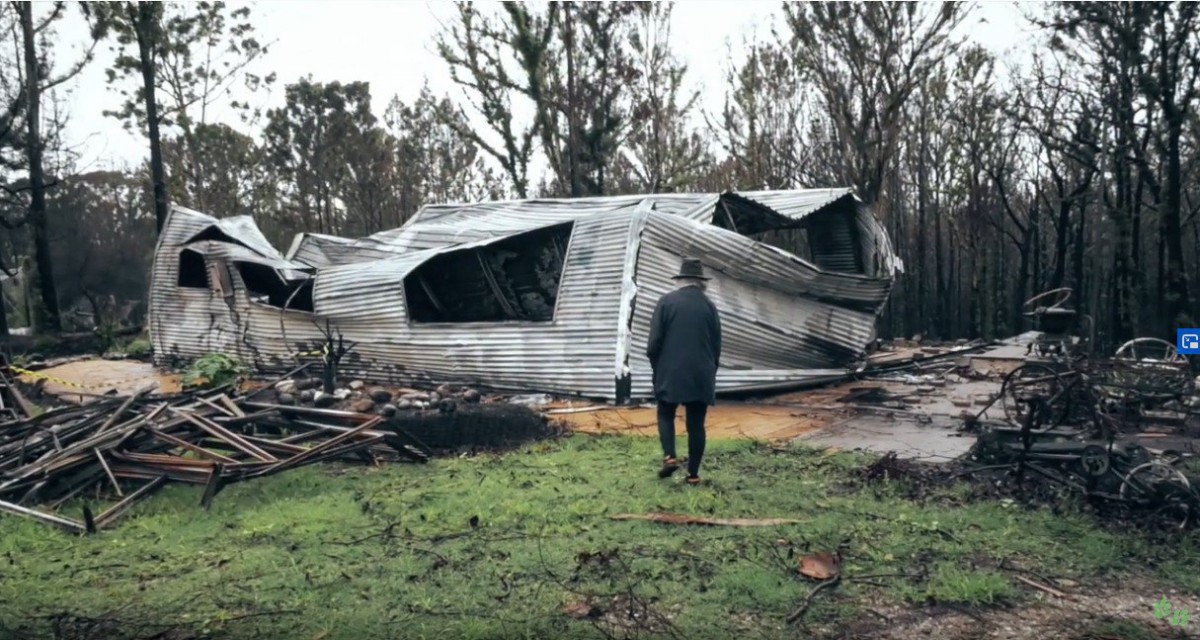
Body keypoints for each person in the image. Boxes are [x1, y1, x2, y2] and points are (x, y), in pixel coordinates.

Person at [645, 257, 722, 485]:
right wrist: (710, 372)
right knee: (696, 424)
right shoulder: (710, 306)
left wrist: (657, 368)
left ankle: (670, 457)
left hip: (671, 371)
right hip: (702, 371)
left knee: (665, 412)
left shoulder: (666, 302)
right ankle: (694, 476)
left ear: (680, 280)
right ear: (701, 283)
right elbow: (716, 345)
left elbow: (653, 344)